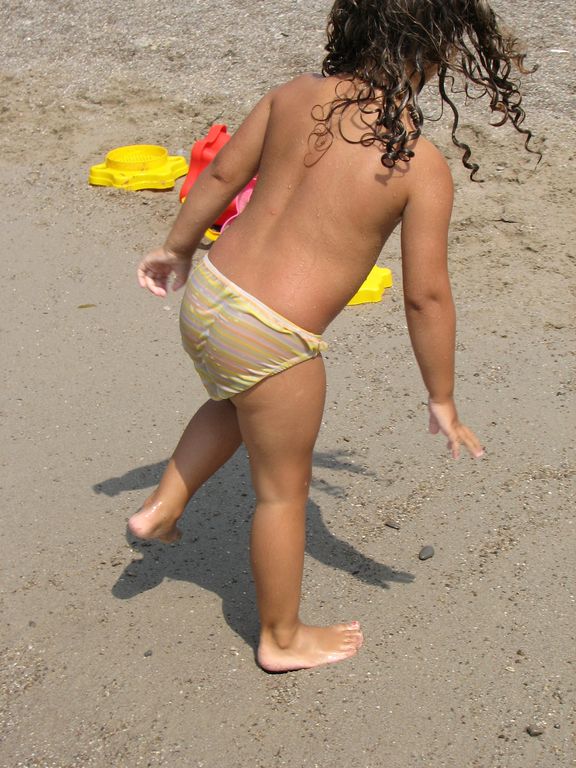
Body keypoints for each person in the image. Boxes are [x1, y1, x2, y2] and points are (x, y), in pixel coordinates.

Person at [129, 0, 536, 672]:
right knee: (282, 493)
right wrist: (441, 396)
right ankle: (281, 637)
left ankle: (163, 506)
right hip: (274, 335)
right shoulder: (420, 164)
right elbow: (426, 295)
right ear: (434, 52)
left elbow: (223, 174)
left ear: (351, 27)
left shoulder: (292, 94)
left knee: (237, 398)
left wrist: (176, 250)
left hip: (210, 295)